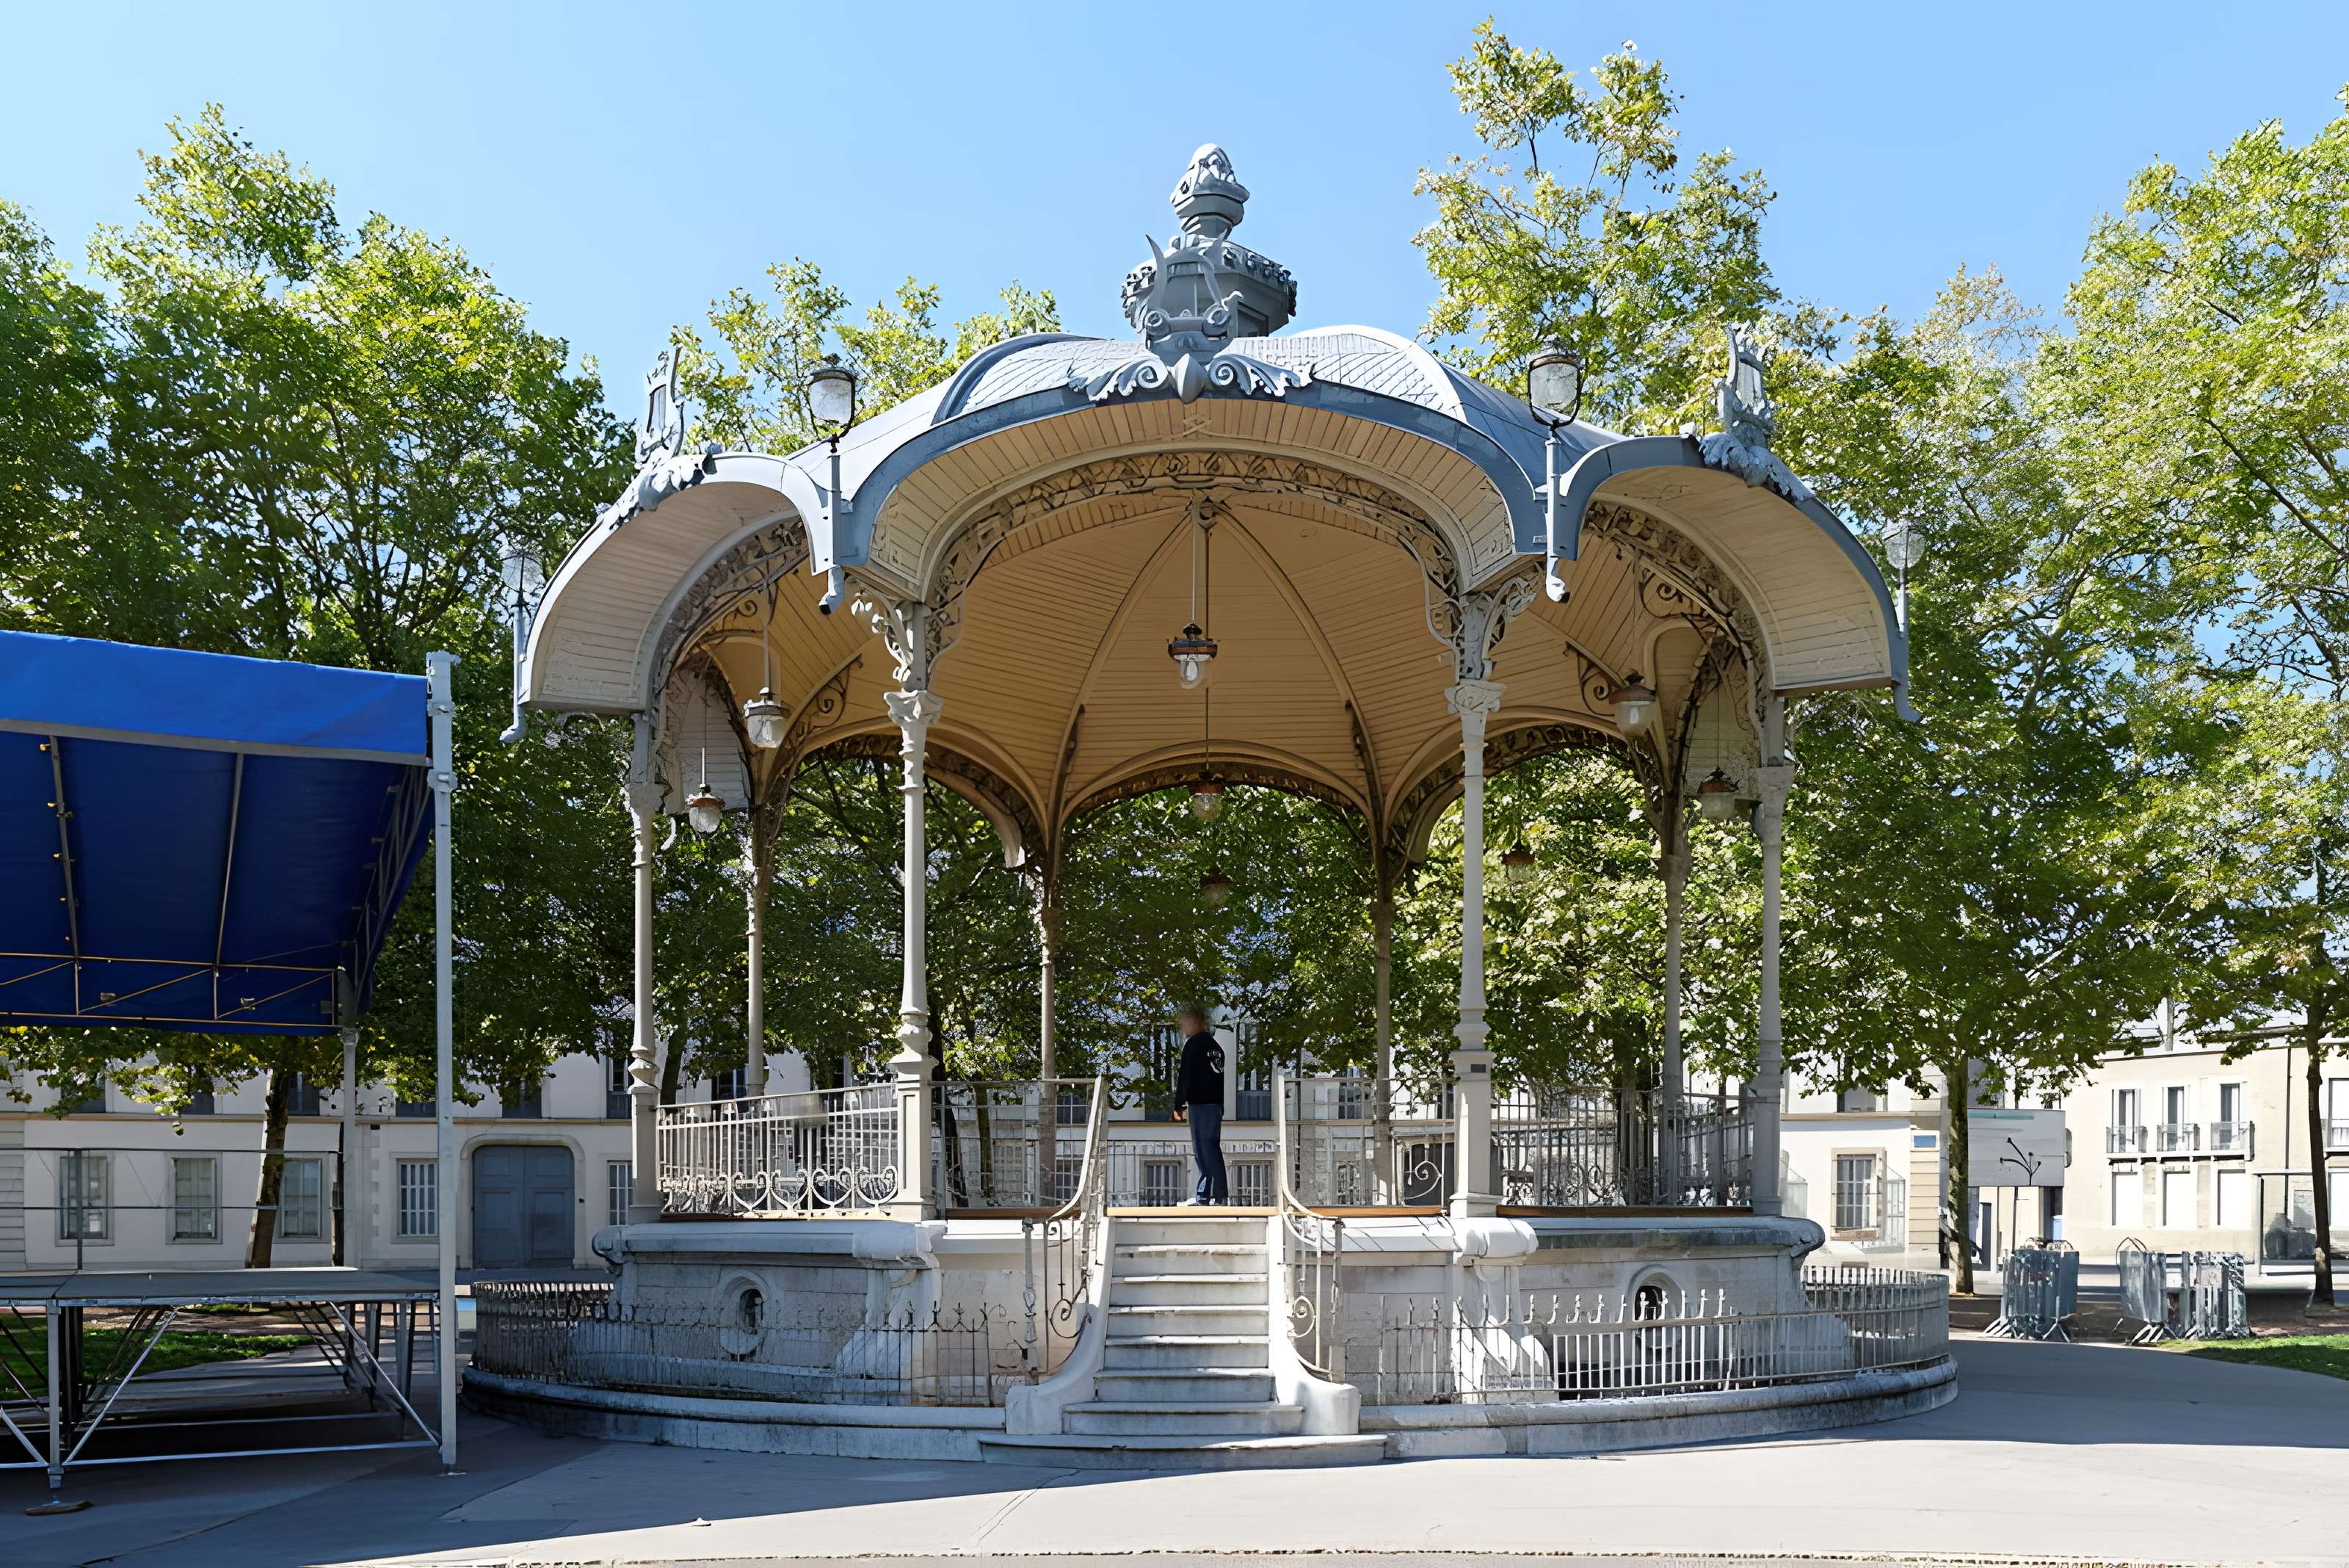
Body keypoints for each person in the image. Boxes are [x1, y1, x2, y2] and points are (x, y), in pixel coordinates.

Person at [1170, 1007, 1227, 1205]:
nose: (1183, 1027)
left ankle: (1204, 1197)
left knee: (1203, 1151)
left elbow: (1185, 1077)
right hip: (1215, 1105)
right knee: (1212, 1148)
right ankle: (1220, 1197)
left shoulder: (1193, 1045)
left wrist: (1178, 1104)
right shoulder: (1216, 1047)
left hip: (1201, 1105)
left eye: (1185, 1022)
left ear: (1197, 1023)